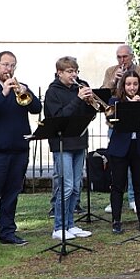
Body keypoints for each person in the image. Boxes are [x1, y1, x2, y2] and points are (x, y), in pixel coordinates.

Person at [0, 51, 41, 251]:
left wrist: (26, 92)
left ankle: (7, 233)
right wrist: (3, 93)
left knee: (11, 195)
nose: (8, 69)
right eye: (5, 65)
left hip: (18, 151)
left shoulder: (20, 88)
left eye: (12, 65)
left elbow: (36, 108)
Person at [44, 56, 99, 241]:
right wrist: (78, 99)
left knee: (76, 186)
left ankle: (70, 224)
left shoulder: (80, 87)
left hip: (79, 141)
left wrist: (91, 103)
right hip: (62, 144)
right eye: (69, 71)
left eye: (76, 71)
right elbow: (59, 117)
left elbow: (89, 115)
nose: (74, 75)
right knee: (65, 186)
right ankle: (58, 227)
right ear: (59, 73)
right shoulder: (53, 92)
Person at [101, 44, 140, 215]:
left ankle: (133, 199)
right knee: (119, 170)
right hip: (118, 125)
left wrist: (137, 99)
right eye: (119, 57)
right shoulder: (110, 71)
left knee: (138, 174)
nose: (122, 60)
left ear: (131, 56)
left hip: (137, 130)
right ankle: (117, 206)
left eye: (125, 57)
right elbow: (103, 97)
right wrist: (114, 81)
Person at [107, 70, 140, 236]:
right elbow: (111, 121)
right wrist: (130, 106)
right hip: (120, 148)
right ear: (123, 86)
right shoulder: (115, 102)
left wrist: (139, 106)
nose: (132, 87)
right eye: (128, 84)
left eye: (135, 84)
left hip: (138, 147)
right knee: (118, 186)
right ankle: (116, 221)